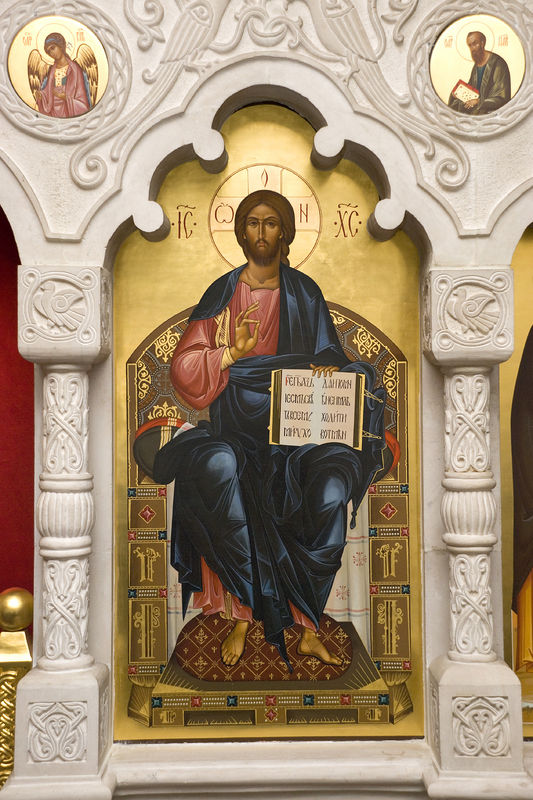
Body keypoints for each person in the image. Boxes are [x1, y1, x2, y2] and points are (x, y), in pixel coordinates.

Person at [153, 190, 386, 669]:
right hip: (238, 427)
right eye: (253, 223)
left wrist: (331, 369)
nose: (262, 232)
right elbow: (184, 368)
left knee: (330, 488)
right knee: (228, 474)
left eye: (271, 222)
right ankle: (243, 613)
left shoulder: (305, 292)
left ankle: (307, 624)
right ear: (241, 233)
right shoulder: (222, 294)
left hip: (301, 430)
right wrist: (231, 353)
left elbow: (332, 355)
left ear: (285, 232)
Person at [448, 31, 511, 115]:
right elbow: (472, 88)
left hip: (490, 111)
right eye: (470, 45)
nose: (472, 48)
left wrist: (478, 102)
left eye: (474, 44)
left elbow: (501, 97)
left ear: (482, 43)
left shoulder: (498, 63)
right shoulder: (477, 64)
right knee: (455, 105)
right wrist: (457, 94)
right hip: (476, 106)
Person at [34, 33, 91, 118]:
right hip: (53, 112)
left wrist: (66, 98)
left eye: (53, 48)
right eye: (49, 51)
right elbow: (48, 91)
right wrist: (41, 95)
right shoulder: (52, 70)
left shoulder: (74, 69)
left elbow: (82, 101)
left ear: (60, 46)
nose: (51, 53)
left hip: (68, 110)